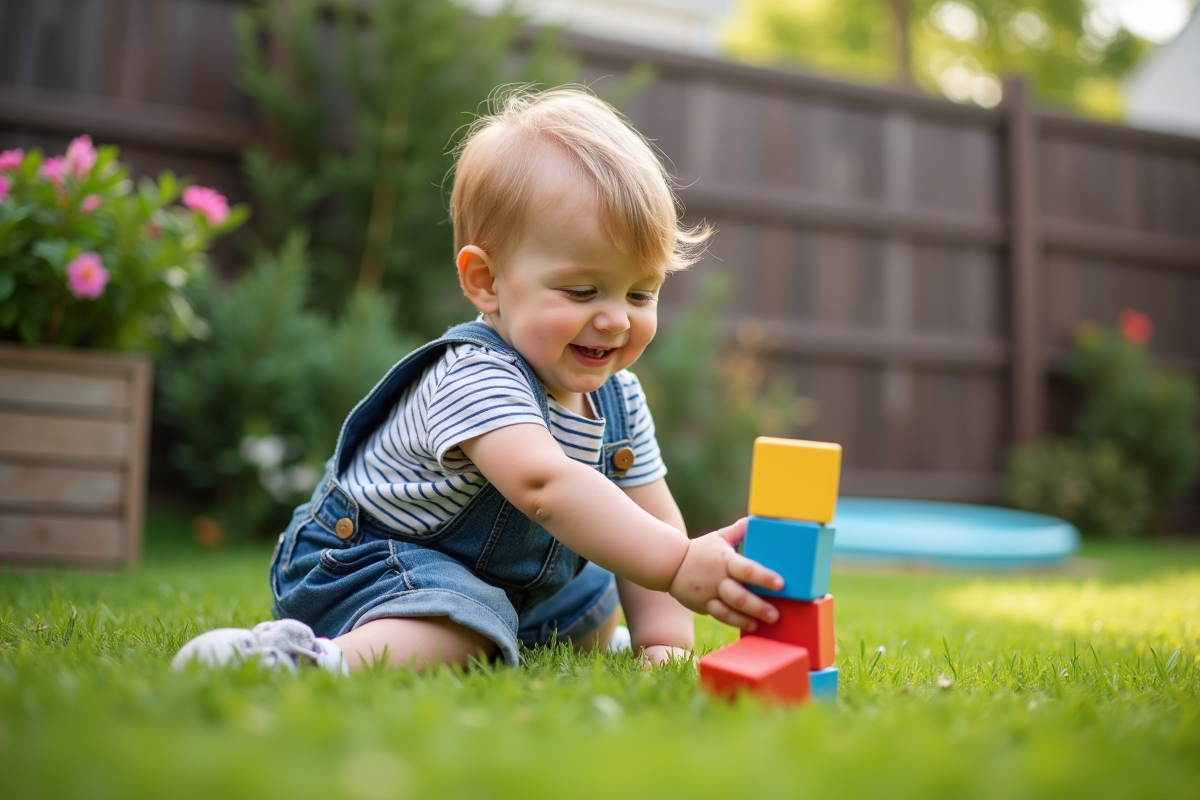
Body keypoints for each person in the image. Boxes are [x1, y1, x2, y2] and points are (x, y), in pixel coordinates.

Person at [173, 86, 782, 675]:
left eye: (640, 292)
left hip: (499, 580)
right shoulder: (475, 374)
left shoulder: (617, 396)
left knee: (600, 572)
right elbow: (545, 484)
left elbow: (654, 519)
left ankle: (606, 640)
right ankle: (307, 660)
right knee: (467, 627)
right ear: (487, 281)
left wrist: (667, 644)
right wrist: (677, 566)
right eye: (581, 290)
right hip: (369, 563)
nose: (616, 319)